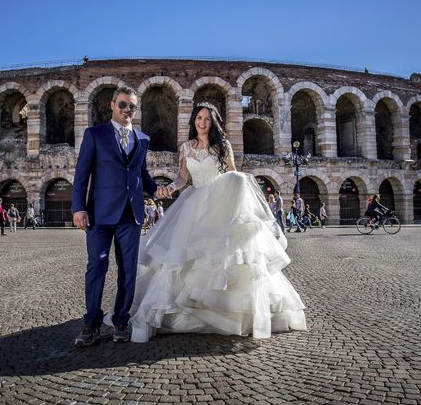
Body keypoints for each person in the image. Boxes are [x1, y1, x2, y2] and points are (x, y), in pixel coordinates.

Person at [128, 102, 306, 343]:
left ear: (213, 123)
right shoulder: (186, 148)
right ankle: (186, 307)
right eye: (198, 118)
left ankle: (229, 311)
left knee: (225, 259)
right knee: (184, 259)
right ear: (193, 121)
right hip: (194, 203)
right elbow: (183, 178)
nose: (202, 122)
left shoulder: (223, 146)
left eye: (207, 119)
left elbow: (232, 174)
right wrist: (169, 188)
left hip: (219, 204)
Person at [72, 85, 157, 346]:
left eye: (132, 105)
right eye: (122, 104)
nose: (127, 109)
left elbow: (142, 175)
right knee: (97, 266)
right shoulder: (94, 134)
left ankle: (121, 320)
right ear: (112, 105)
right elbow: (81, 174)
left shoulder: (142, 139)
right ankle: (91, 324)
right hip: (99, 213)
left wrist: (160, 189)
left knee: (128, 270)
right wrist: (78, 207)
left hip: (130, 214)